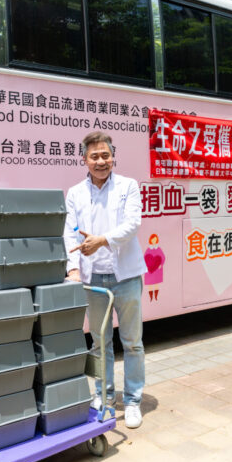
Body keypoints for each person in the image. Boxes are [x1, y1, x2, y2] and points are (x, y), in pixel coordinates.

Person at [64, 131, 147, 429]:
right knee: (100, 343)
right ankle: (104, 396)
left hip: (126, 277)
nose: (101, 161)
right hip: (94, 279)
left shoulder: (128, 186)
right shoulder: (75, 193)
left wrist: (101, 240)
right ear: (84, 160)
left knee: (132, 342)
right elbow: (70, 232)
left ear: (113, 157)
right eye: (94, 156)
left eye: (105, 155)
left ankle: (133, 400)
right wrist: (73, 269)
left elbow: (132, 224)